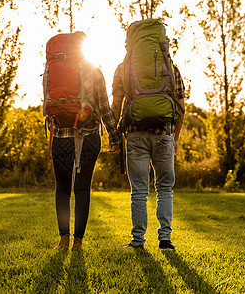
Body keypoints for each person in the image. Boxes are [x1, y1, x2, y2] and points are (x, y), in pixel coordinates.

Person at [45, 32, 121, 250]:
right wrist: (113, 137)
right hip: (88, 136)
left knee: (62, 188)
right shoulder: (94, 70)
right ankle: (78, 242)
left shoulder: (52, 68)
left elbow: (48, 103)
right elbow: (105, 108)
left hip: (60, 136)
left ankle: (63, 240)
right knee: (82, 188)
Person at [111, 54, 186, 251]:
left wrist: (114, 137)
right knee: (164, 189)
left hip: (135, 135)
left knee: (138, 191)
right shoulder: (169, 66)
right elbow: (181, 107)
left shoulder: (123, 67)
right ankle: (165, 241)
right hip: (164, 134)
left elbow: (116, 105)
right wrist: (175, 137)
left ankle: (137, 241)